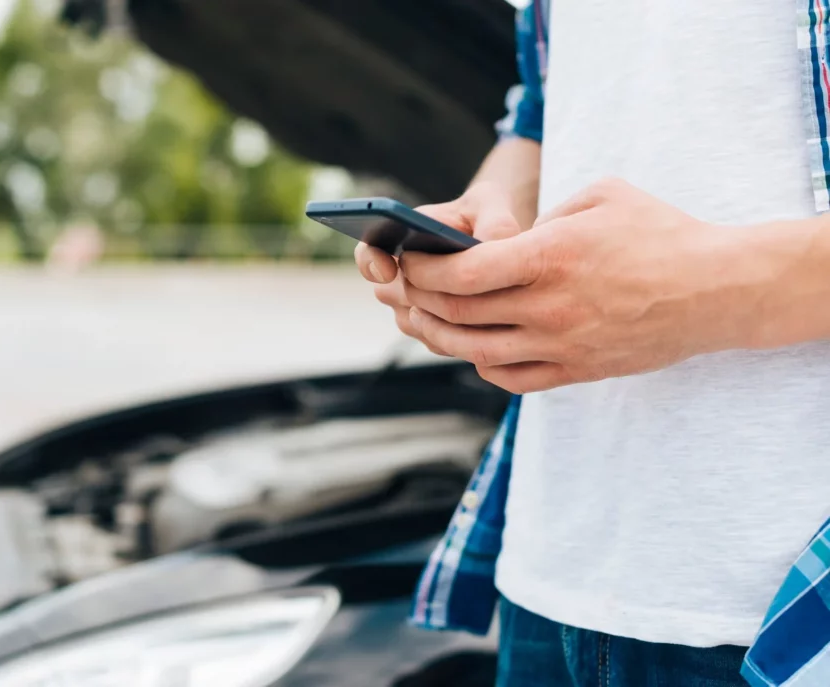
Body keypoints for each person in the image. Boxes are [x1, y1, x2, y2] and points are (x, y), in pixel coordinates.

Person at [355, 2, 830, 686]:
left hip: (789, 613)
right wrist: (488, 214)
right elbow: (542, 110)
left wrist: (715, 288)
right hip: (549, 585)